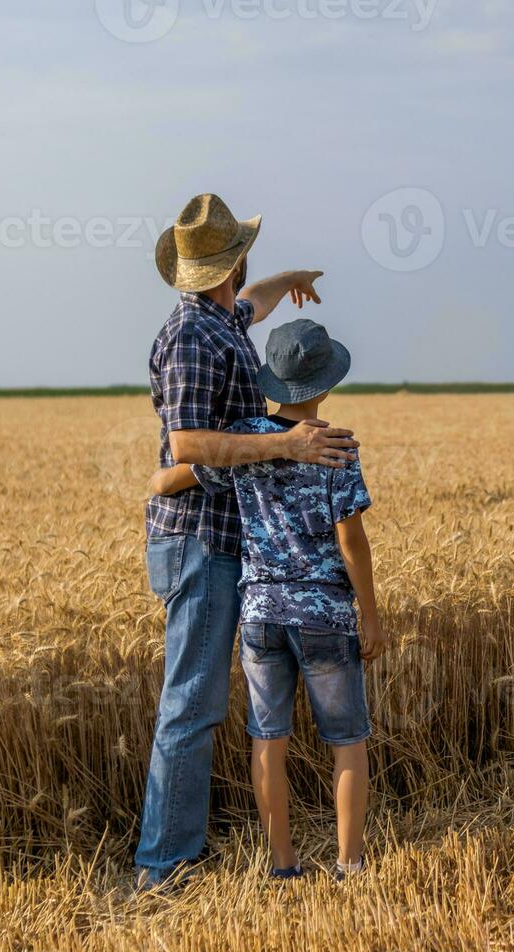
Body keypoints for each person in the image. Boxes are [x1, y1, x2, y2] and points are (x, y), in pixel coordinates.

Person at [137, 193, 359, 891]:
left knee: (202, 703)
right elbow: (186, 443)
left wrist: (286, 278)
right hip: (199, 540)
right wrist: (284, 444)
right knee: (193, 703)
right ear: (231, 261)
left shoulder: (221, 318)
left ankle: (179, 851)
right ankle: (163, 865)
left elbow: (253, 304)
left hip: (220, 536)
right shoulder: (191, 339)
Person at [149, 319, 385, 880]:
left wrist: (178, 475)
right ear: (326, 384)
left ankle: (284, 866)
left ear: (272, 381)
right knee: (347, 741)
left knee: (267, 739)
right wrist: (370, 615)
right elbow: (352, 541)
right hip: (324, 615)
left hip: (259, 614)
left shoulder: (246, 440)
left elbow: (163, 483)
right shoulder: (336, 447)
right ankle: (348, 865)